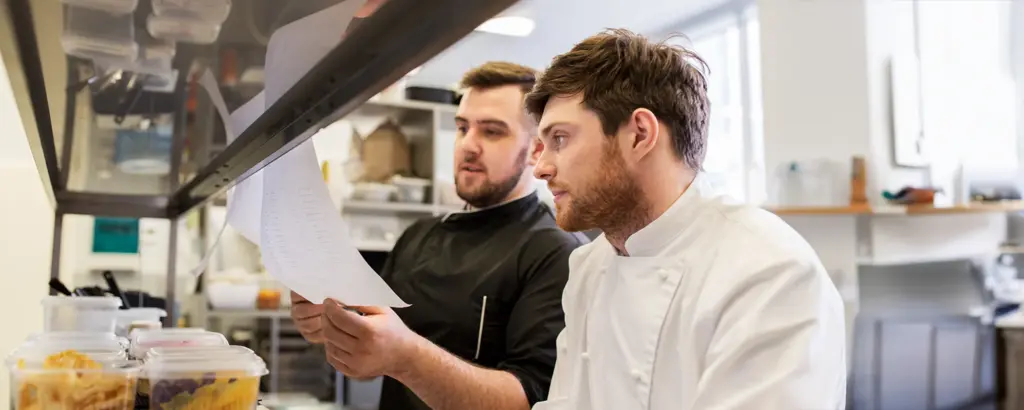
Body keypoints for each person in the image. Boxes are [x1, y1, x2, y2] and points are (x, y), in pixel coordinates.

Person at [525, 29, 847, 410]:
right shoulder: (589, 266)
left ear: (640, 135)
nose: (541, 168)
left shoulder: (769, 272)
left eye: (560, 139)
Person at [290, 61, 587, 410]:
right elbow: (369, 367)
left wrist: (405, 357)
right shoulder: (418, 237)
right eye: (462, 128)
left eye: (491, 131)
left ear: (536, 151)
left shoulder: (556, 253)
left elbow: (528, 400)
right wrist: (334, 332)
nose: (468, 145)